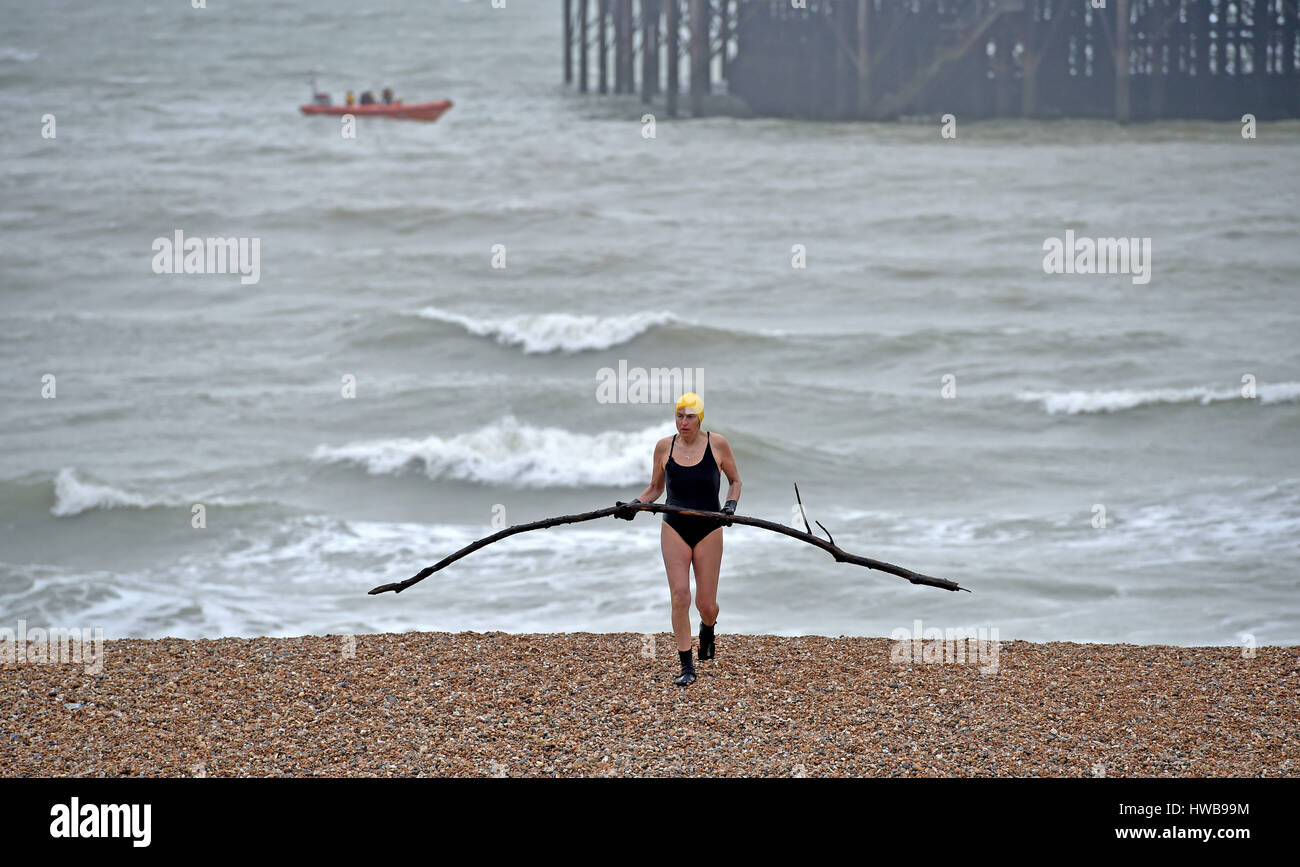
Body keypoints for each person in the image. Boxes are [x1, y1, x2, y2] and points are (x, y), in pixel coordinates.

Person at [615, 393, 741, 686]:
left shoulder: (717, 444)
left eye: (690, 417)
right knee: (680, 596)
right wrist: (634, 505)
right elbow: (654, 489)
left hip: (709, 527)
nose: (684, 422)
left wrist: (730, 507)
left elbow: (735, 481)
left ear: (700, 418)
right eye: (679, 416)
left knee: (706, 604)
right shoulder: (663, 447)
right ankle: (687, 666)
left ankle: (707, 631)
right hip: (674, 527)